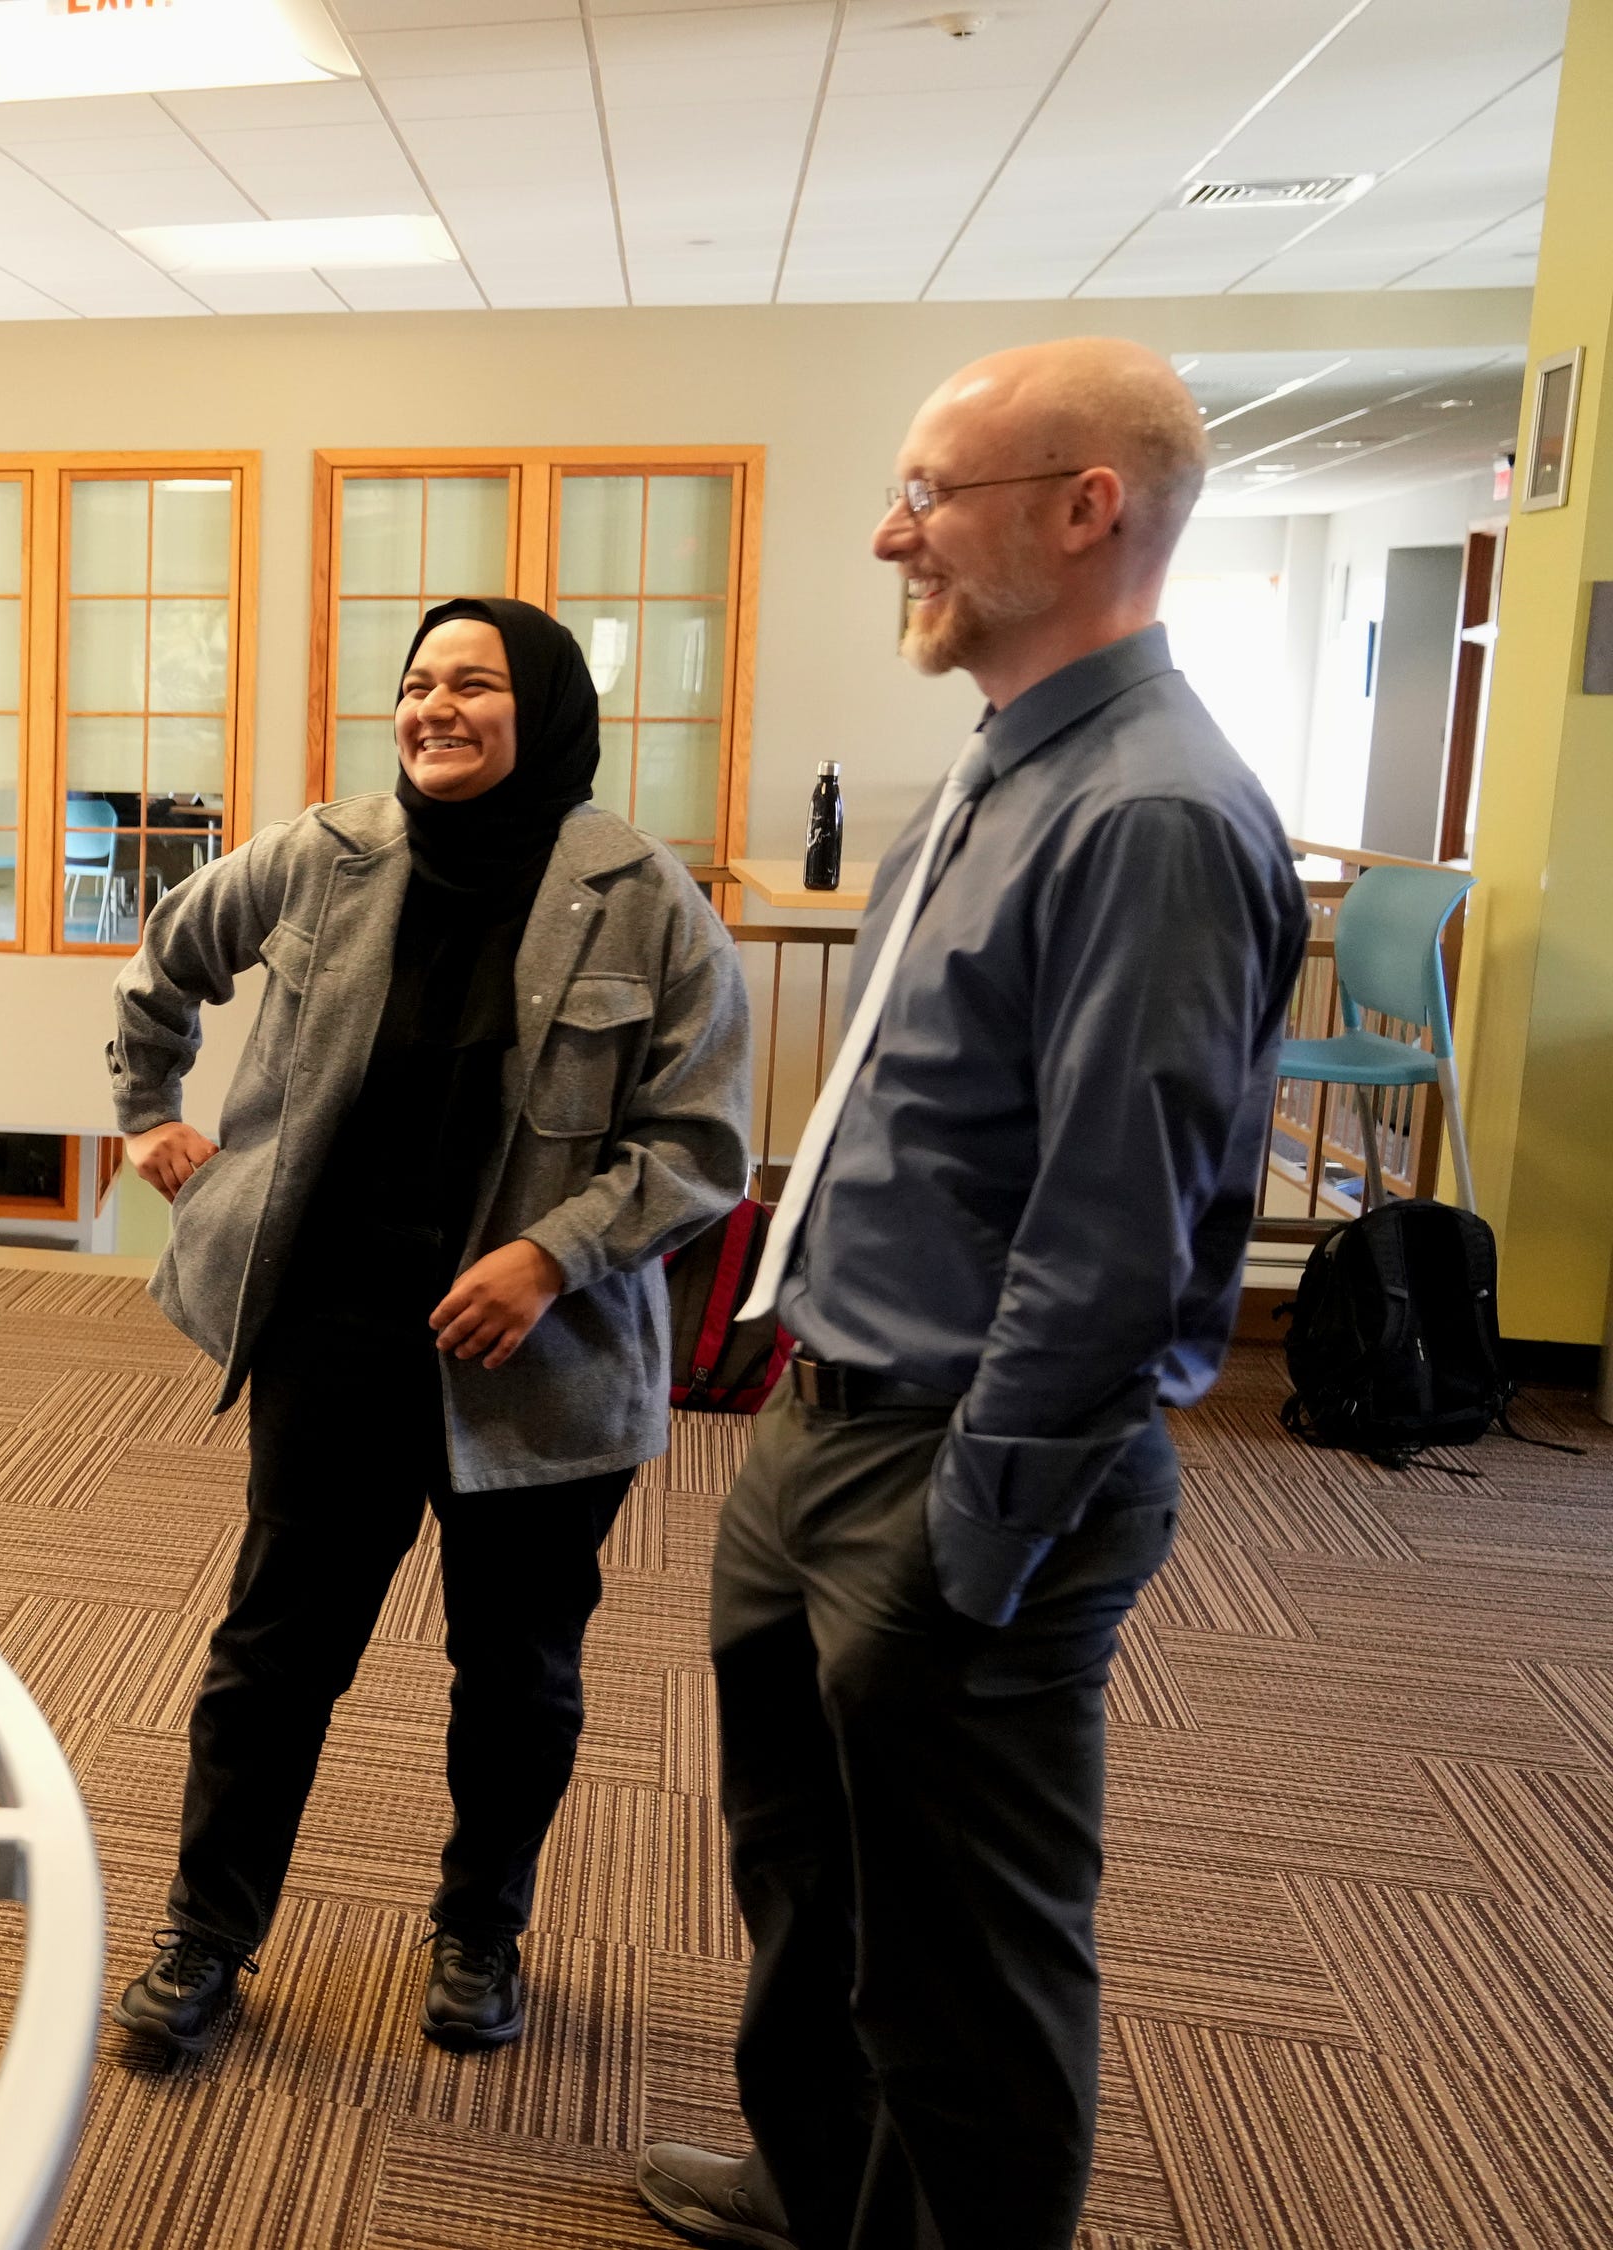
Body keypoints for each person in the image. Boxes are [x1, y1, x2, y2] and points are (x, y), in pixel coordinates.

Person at [637, 340, 1308, 2250]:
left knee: (967, 1959)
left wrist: (981, 1533)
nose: (889, 534)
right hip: (826, 1419)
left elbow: (1114, 1240)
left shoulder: (1153, 815)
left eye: (930, 494)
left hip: (962, 1460)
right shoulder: (994, 769)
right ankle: (818, 2183)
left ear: (1089, 509)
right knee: (814, 1875)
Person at [105, 596, 753, 2060]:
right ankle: (206, 1932)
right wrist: (147, 1110)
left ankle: (478, 1929)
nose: (433, 707)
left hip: (544, 1355)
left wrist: (551, 1256)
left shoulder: (644, 897)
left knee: (516, 1672)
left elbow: (702, 1144)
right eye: (416, 682)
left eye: (473, 683)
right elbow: (168, 954)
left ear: (547, 709)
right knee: (276, 1651)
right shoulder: (324, 855)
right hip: (336, 1329)